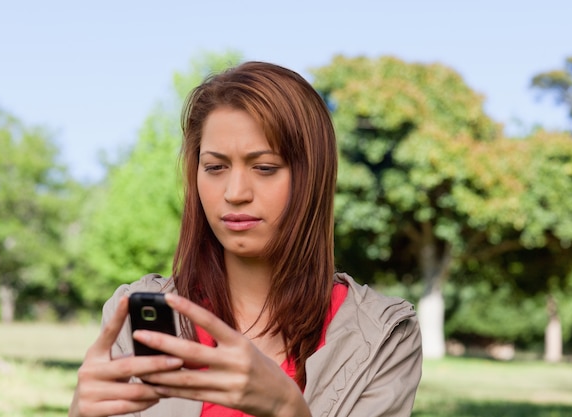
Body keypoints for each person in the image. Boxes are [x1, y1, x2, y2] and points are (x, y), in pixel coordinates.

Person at [69, 61, 422, 417]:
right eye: (215, 168)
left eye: (265, 168)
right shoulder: (135, 316)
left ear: (313, 177)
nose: (235, 193)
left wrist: (287, 408)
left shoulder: (384, 336)